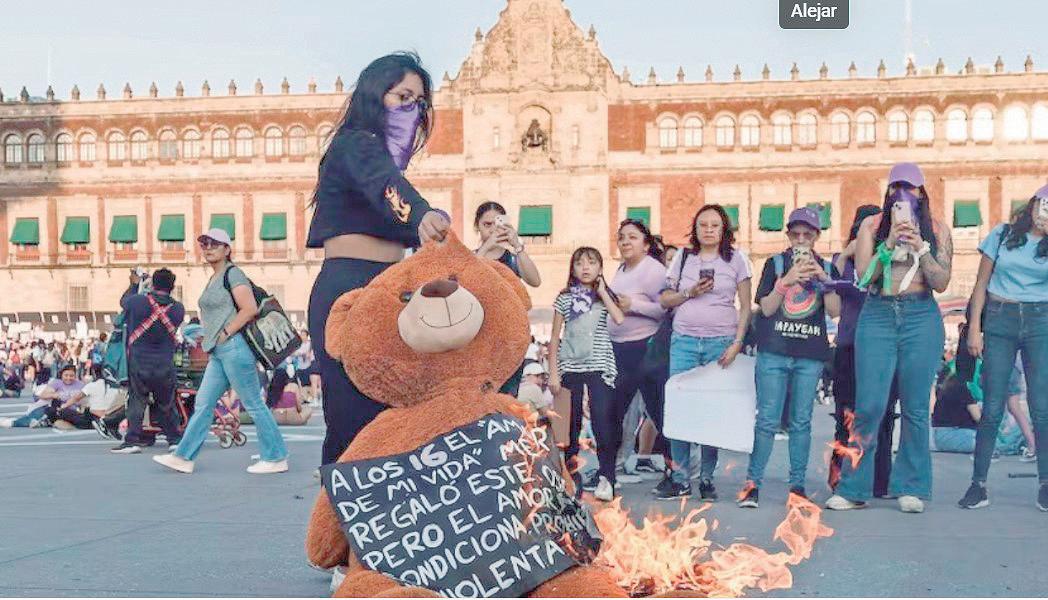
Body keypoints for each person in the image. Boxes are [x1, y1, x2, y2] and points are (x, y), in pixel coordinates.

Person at [305, 52, 450, 466]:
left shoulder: (386, 164)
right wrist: (421, 214)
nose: (412, 110)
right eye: (403, 96)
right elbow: (384, 184)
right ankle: (337, 503)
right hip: (349, 286)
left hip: (391, 289)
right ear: (374, 93)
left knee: (391, 412)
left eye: (419, 102)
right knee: (351, 417)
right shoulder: (355, 144)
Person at [827, 163, 953, 513]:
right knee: (868, 406)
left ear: (922, 193)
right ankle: (853, 487)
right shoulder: (871, 225)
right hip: (878, 314)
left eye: (910, 187)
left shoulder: (938, 229)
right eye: (896, 186)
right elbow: (864, 277)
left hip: (920, 314)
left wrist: (921, 247)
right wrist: (888, 245)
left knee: (915, 407)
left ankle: (911, 486)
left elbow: (942, 282)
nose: (903, 193)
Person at [153, 228, 289, 474]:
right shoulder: (215, 277)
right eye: (204, 243)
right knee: (203, 404)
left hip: (234, 347)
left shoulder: (233, 274)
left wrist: (226, 332)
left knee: (253, 403)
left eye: (215, 244)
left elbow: (249, 308)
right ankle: (183, 457)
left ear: (227, 249)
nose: (208, 248)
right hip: (219, 351)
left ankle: (276, 457)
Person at [739, 207, 840, 508]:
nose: (801, 240)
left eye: (807, 234)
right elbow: (767, 308)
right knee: (767, 420)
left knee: (801, 422)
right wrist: (786, 281)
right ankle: (752, 484)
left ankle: (797, 486)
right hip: (774, 350)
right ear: (788, 235)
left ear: (816, 236)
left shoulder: (826, 267)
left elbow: (835, 311)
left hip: (810, 354)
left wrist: (824, 279)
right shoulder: (775, 263)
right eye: (795, 234)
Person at [959, 184, 1048, 511]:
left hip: (1040, 318)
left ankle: (1045, 484)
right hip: (1000, 315)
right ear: (1033, 205)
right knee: (993, 404)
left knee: (1041, 406)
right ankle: (978, 484)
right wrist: (975, 329)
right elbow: (981, 283)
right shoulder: (1003, 234)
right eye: (1043, 205)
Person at [658, 205, 752, 501]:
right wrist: (690, 292)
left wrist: (737, 343)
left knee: (712, 410)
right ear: (695, 229)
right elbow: (664, 299)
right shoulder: (683, 258)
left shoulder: (737, 259)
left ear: (724, 229)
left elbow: (746, 306)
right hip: (684, 340)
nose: (708, 230)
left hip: (720, 342)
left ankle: (707, 478)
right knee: (680, 407)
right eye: (703, 225)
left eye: (714, 225)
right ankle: (680, 477)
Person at [827, 204, 900, 497]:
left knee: (883, 416)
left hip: (883, 346)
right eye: (860, 228)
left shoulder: (888, 258)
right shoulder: (840, 261)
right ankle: (840, 478)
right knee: (845, 417)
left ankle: (880, 481)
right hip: (848, 345)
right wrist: (845, 256)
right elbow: (833, 307)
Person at [549, 247, 625, 502]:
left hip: (600, 366)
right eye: (579, 263)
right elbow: (554, 337)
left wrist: (602, 291)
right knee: (570, 426)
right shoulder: (564, 298)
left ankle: (607, 477)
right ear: (572, 269)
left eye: (591, 263)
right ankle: (570, 476)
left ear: (600, 269)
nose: (585, 268)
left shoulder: (605, 298)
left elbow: (619, 318)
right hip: (570, 367)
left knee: (603, 422)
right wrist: (553, 373)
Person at [607, 219, 671, 484]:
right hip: (618, 348)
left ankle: (674, 469)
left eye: (632, 237)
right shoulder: (620, 270)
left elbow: (665, 309)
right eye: (621, 237)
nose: (625, 242)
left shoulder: (654, 270)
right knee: (613, 411)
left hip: (646, 348)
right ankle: (608, 470)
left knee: (658, 411)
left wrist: (633, 305)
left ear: (646, 245)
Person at [111, 268, 186, 454]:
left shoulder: (137, 302)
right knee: (166, 403)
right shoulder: (178, 309)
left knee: (137, 401)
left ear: (153, 284)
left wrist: (135, 284)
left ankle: (132, 441)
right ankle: (174, 439)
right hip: (165, 362)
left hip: (140, 361)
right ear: (172, 286)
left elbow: (124, 302)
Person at [474, 201, 542, 395]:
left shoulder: (512, 258)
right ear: (477, 226)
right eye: (486, 225)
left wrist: (517, 245)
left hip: (509, 341)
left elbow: (535, 280)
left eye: (496, 224)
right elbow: (466, 278)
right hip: (478, 340)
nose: (491, 230)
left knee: (507, 399)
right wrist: (486, 248)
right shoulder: (472, 256)